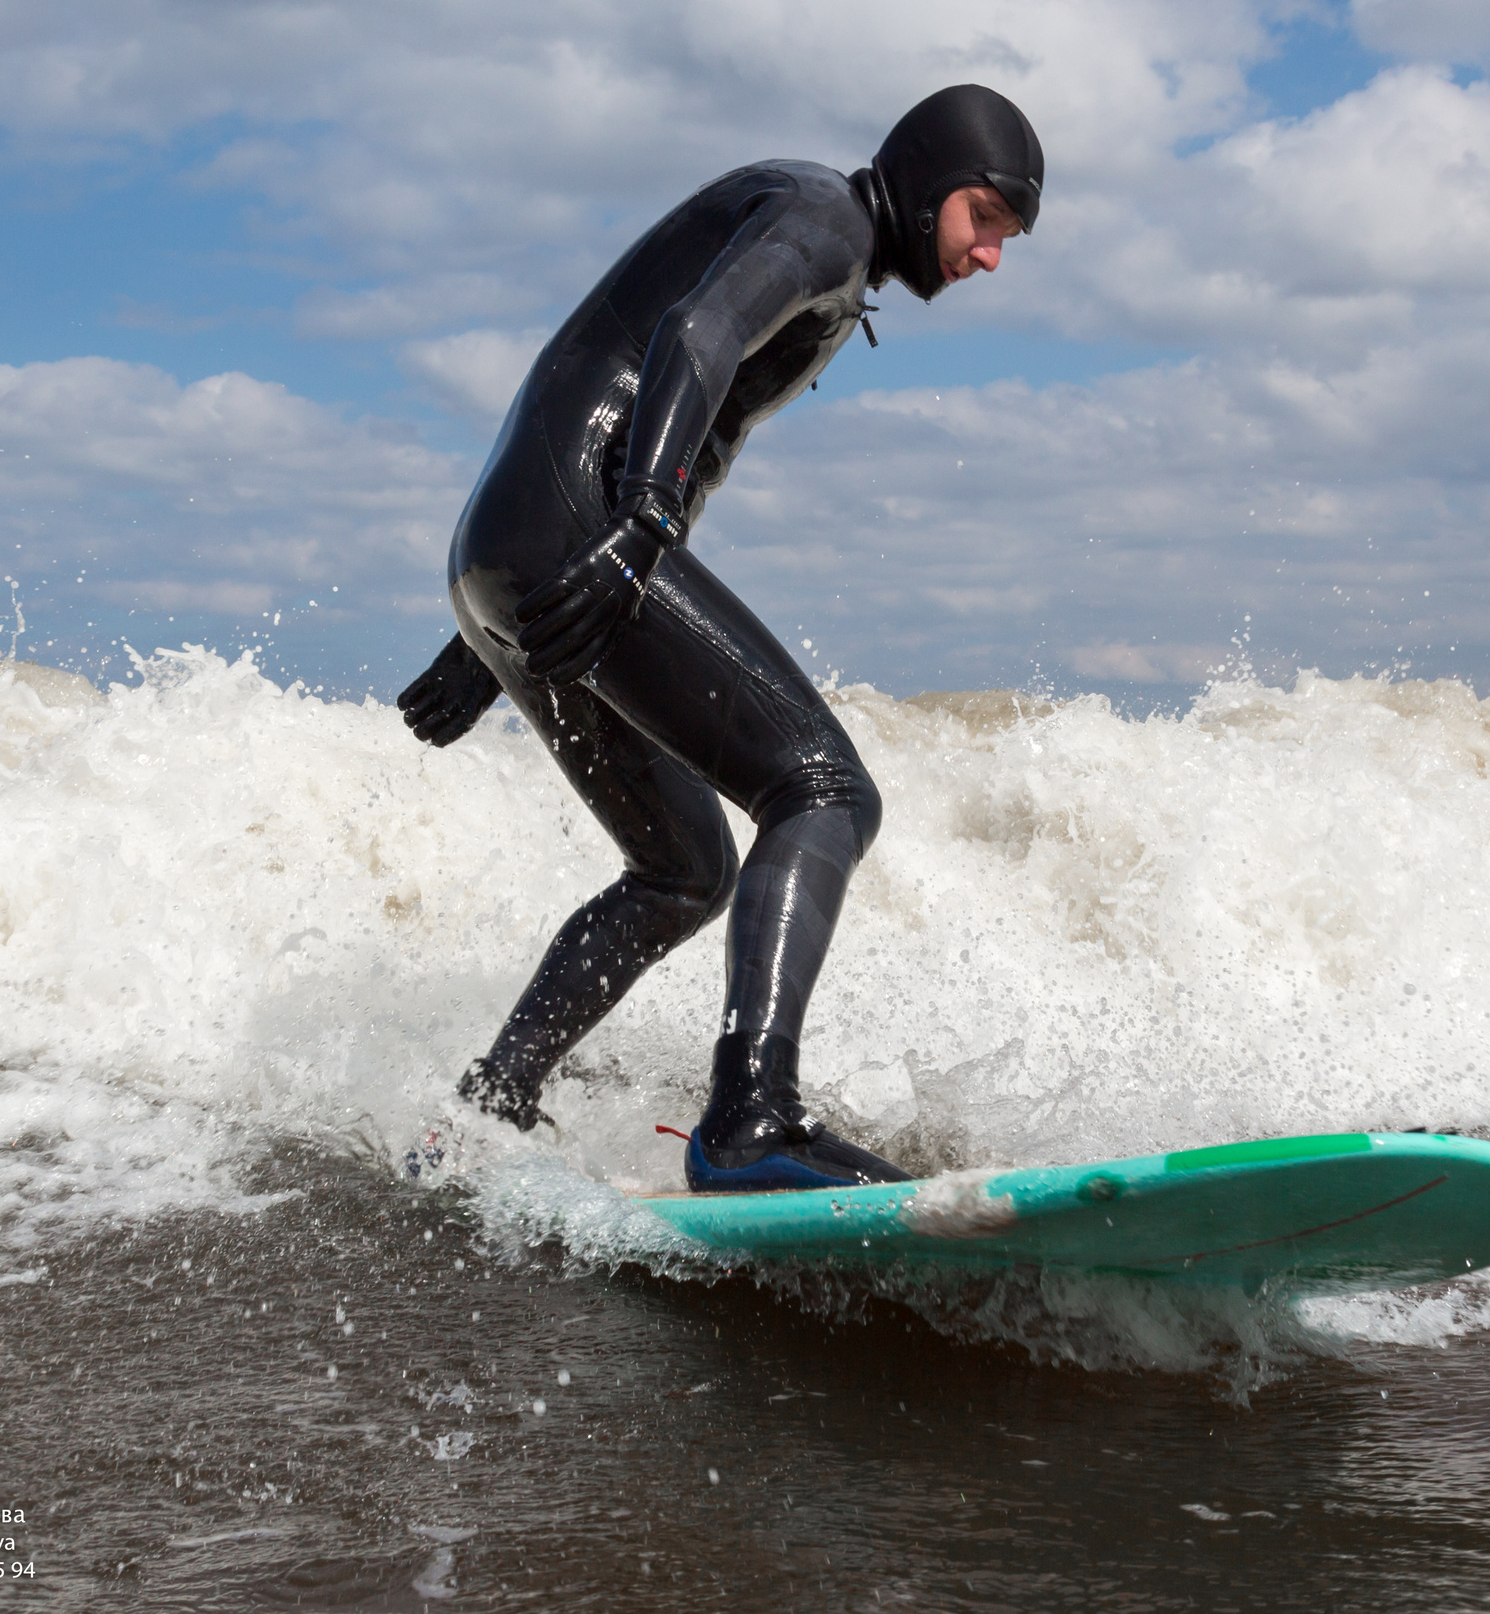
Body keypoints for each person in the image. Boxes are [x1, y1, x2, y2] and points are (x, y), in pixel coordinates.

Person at [394, 86, 1044, 1192]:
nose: (988, 256)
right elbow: (692, 334)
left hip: (522, 545)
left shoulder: (829, 256)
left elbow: (650, 400)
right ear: (932, 178)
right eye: (984, 219)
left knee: (684, 868)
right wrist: (641, 520)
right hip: (581, 530)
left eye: (1005, 239)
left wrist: (488, 629)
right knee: (828, 794)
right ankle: (750, 1116)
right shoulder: (826, 220)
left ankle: (491, 1105)